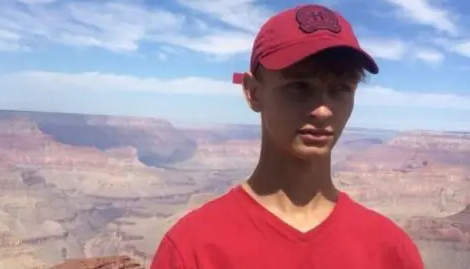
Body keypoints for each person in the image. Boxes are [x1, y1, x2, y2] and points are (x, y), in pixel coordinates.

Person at [150, 3, 424, 269]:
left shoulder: (390, 251)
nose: (323, 110)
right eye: (299, 87)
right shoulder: (192, 249)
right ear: (253, 93)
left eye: (341, 89)